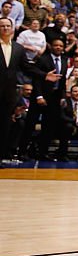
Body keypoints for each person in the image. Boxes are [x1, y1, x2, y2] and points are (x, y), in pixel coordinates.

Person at [20, 38, 68, 160]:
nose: (58, 47)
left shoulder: (64, 60)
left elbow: (62, 80)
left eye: (60, 46)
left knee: (49, 127)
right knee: (30, 125)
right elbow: (36, 78)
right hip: (40, 96)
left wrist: (62, 97)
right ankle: (22, 152)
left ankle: (43, 152)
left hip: (55, 98)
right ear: (51, 46)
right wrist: (39, 96)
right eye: (56, 45)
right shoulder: (43, 59)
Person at [1, 17, 39, 161]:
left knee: (5, 126)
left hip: (8, 94)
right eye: (2, 26)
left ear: (11, 29)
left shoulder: (18, 48)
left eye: (7, 26)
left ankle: (2, 156)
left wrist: (44, 75)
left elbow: (27, 67)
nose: (5, 28)